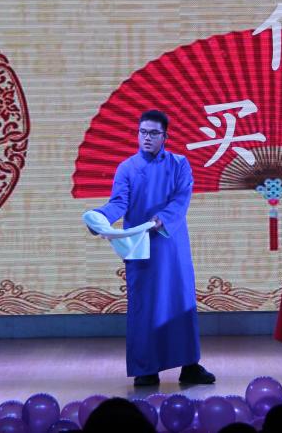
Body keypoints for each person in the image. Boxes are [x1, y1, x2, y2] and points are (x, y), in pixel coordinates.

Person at [91, 109, 215, 387]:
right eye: (143, 132)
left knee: (180, 304)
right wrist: (100, 217)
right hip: (140, 247)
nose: (147, 138)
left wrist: (161, 219)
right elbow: (118, 203)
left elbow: (181, 199)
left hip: (172, 246)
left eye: (153, 133)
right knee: (144, 306)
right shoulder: (127, 168)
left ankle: (190, 365)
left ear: (165, 136)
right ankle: (146, 368)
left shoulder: (179, 164)